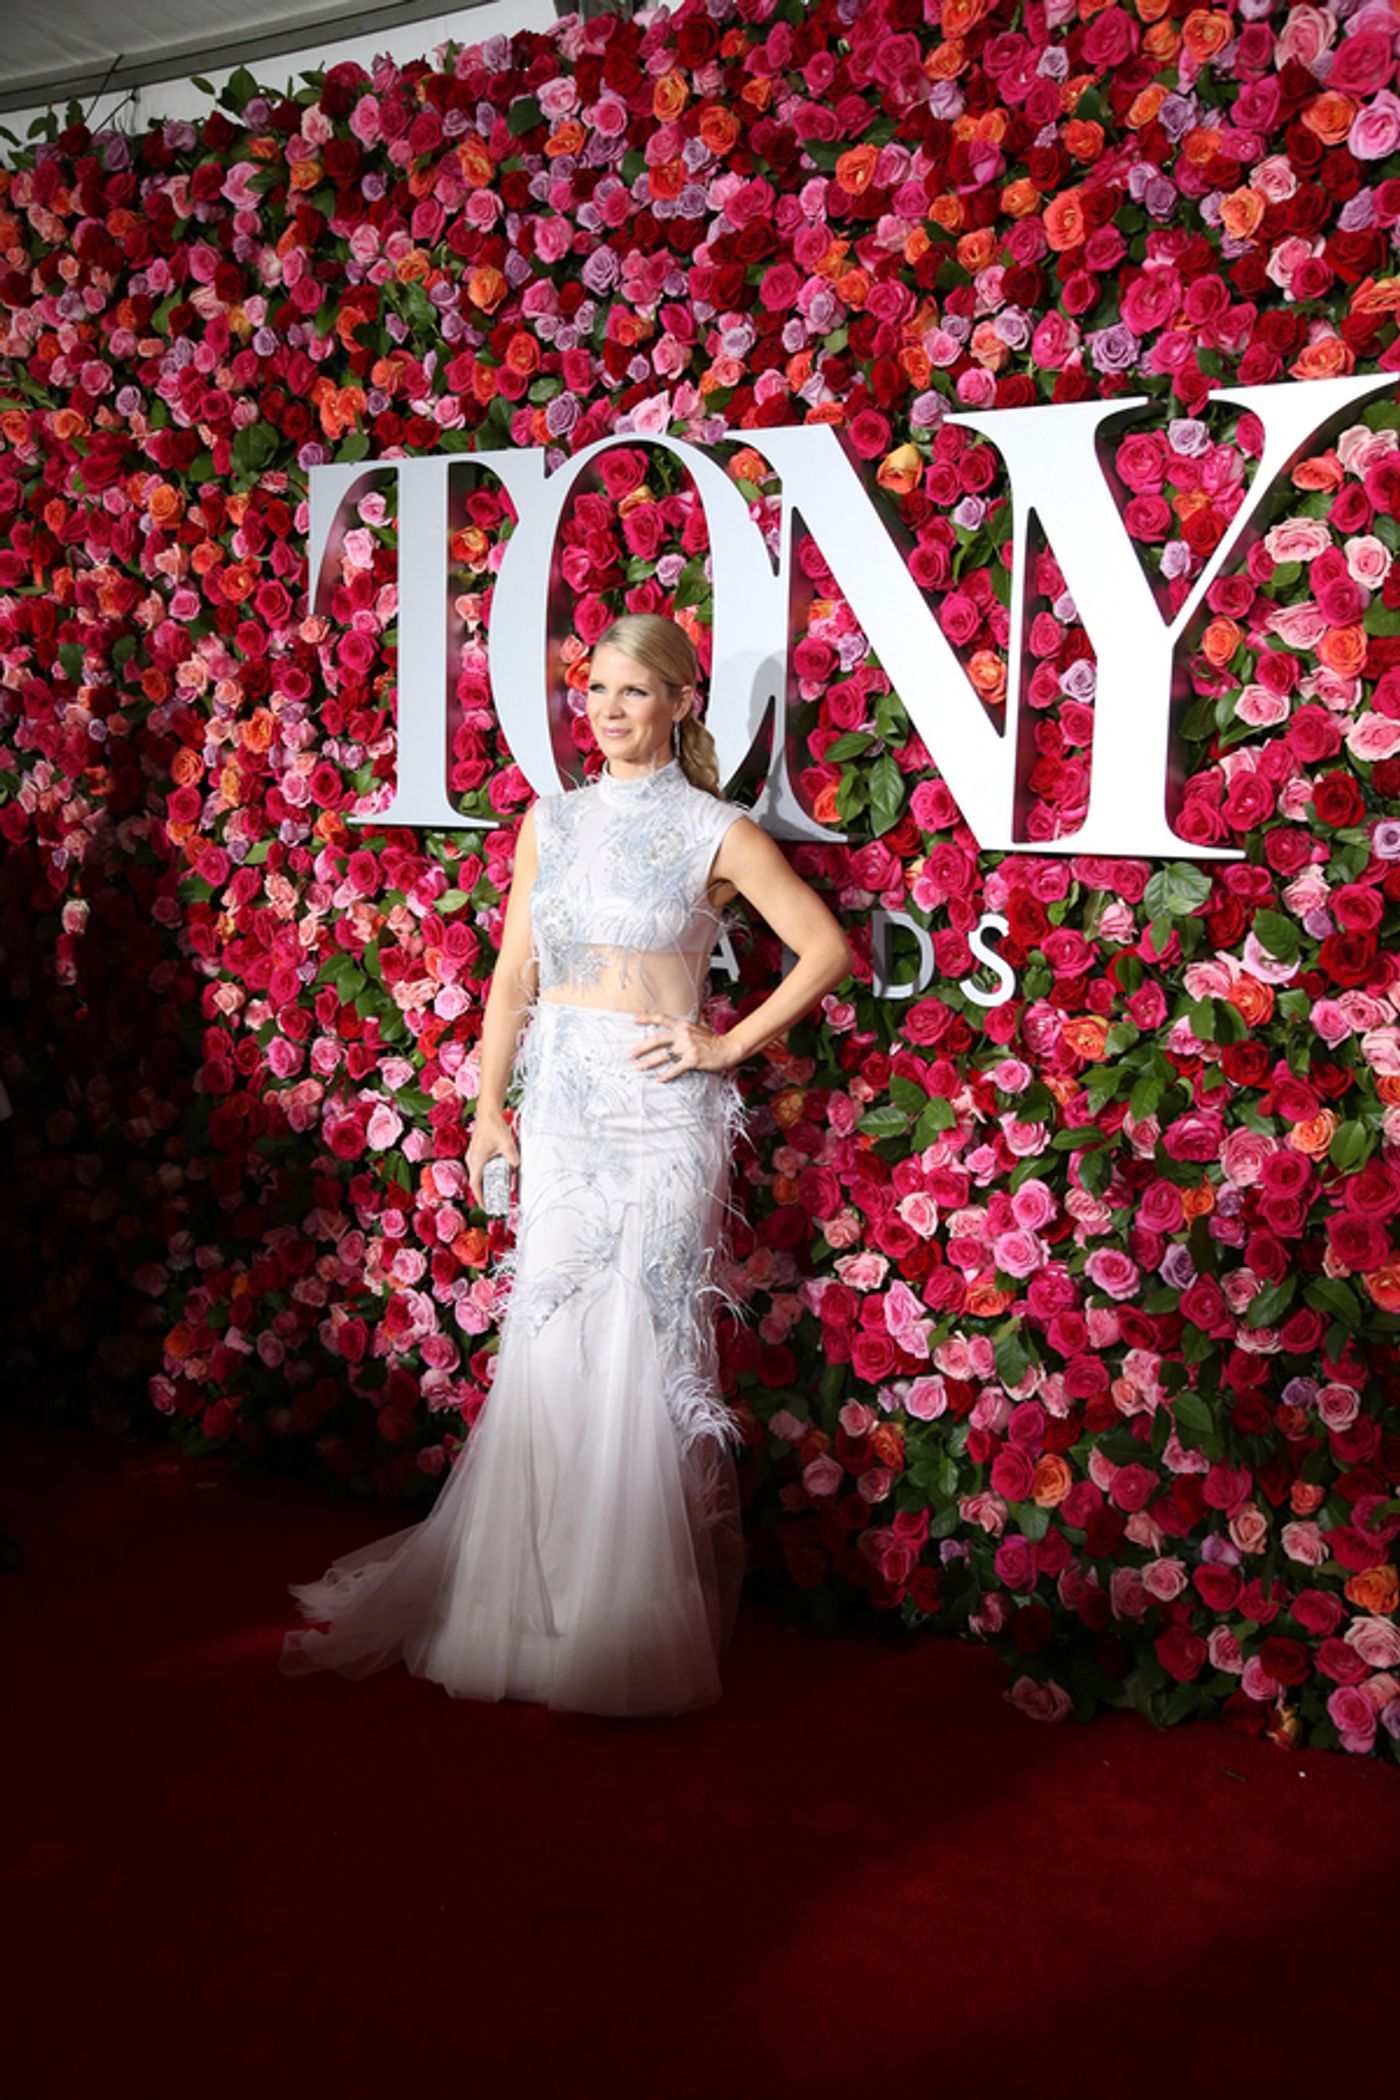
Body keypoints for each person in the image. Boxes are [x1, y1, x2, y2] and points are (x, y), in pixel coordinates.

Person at [279, 612, 851, 1715]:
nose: (606, 709)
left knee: (640, 1355)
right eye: (594, 688)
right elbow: (508, 978)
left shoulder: (717, 832)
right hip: (563, 1114)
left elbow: (822, 947)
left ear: (680, 703)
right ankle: (526, 1607)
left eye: (633, 691)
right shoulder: (552, 819)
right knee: (549, 1353)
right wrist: (490, 1111)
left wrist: (724, 1045)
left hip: (660, 1115)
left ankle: (615, 1626)